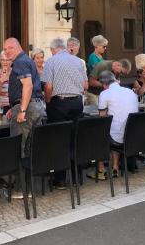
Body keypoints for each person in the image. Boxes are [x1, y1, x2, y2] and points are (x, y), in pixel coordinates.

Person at [41, 38, 88, 188]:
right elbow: (85, 85)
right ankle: (75, 177)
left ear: (53, 49)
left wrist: (48, 100)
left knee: (58, 140)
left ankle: (59, 179)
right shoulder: (78, 61)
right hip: (76, 102)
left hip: (59, 103)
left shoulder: (51, 61)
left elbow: (48, 86)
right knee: (75, 139)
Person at [4, 37, 45, 198]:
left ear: (18, 47)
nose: (7, 51)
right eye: (5, 49)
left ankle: (20, 190)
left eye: (10, 48)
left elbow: (27, 86)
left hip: (27, 109)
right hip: (36, 107)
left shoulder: (20, 62)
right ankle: (27, 188)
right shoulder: (26, 60)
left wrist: (21, 109)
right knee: (28, 149)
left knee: (18, 148)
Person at [87, 71, 138, 180]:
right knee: (116, 128)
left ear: (104, 84)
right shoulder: (130, 91)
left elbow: (102, 119)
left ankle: (101, 170)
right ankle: (115, 167)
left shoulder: (105, 93)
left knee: (97, 132)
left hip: (117, 139)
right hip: (131, 137)